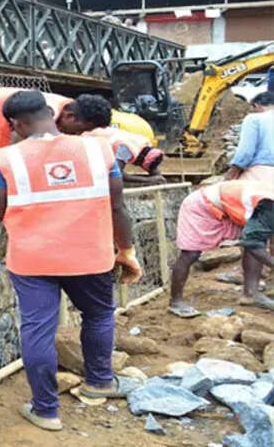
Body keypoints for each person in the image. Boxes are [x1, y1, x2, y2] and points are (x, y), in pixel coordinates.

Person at [0, 90, 140, 432]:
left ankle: (46, 410)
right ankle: (100, 381)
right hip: (90, 255)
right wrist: (126, 250)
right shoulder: (99, 150)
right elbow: (117, 206)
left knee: (37, 329)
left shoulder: (4, 159)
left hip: (33, 260)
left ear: (15, 124)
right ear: (51, 112)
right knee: (97, 315)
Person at [0, 87, 112, 214]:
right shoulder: (43, 114)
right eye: (79, 129)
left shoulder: (66, 111)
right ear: (70, 117)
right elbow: (17, 153)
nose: (78, 134)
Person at [168, 180, 274, 317]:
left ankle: (251, 293)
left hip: (231, 208)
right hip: (202, 206)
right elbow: (253, 242)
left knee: (257, 239)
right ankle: (175, 301)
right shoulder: (270, 205)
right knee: (191, 254)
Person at [84, 127, 167, 185]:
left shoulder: (144, 145)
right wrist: (148, 180)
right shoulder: (126, 150)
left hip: (99, 135)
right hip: (86, 141)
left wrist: (159, 178)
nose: (137, 165)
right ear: (140, 160)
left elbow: (152, 168)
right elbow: (117, 174)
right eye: (139, 164)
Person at [225, 91, 274, 183]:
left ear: (257, 106)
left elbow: (246, 151)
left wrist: (233, 171)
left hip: (263, 173)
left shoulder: (254, 119)